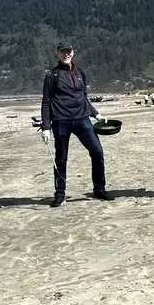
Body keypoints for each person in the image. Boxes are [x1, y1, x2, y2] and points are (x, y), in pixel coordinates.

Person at [40, 44, 114, 207]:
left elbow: (84, 98)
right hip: (61, 121)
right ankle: (60, 194)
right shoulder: (52, 75)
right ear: (58, 54)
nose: (66, 54)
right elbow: (46, 102)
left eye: (68, 51)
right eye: (63, 52)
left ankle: (99, 189)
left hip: (82, 119)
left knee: (97, 151)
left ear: (73, 53)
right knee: (61, 159)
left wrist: (96, 114)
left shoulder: (80, 73)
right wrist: (46, 127)